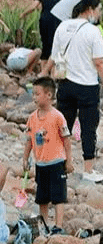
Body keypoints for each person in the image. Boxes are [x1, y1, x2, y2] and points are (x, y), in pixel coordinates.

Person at [49, 0, 103, 183]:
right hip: (87, 86)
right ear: (90, 9)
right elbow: (99, 62)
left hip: (65, 84)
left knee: (63, 126)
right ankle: (88, 169)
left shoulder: (62, 26)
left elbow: (54, 56)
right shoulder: (92, 32)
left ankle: (59, 165)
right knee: (88, 128)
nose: (99, 14)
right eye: (98, 10)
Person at [22, 76, 73, 234]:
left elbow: (66, 140)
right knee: (42, 196)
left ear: (49, 95)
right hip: (40, 163)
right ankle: (44, 225)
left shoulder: (57, 116)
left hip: (56, 162)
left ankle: (58, 226)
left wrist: (69, 161)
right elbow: (29, 140)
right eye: (34, 94)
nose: (34, 97)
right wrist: (25, 158)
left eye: (37, 94)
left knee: (58, 196)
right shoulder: (32, 118)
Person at [25, 0, 65, 75]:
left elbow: (34, 6)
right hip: (58, 20)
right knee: (57, 45)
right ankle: (55, 72)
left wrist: (23, 14)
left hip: (45, 20)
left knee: (46, 45)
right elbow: (66, 2)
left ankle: (44, 73)